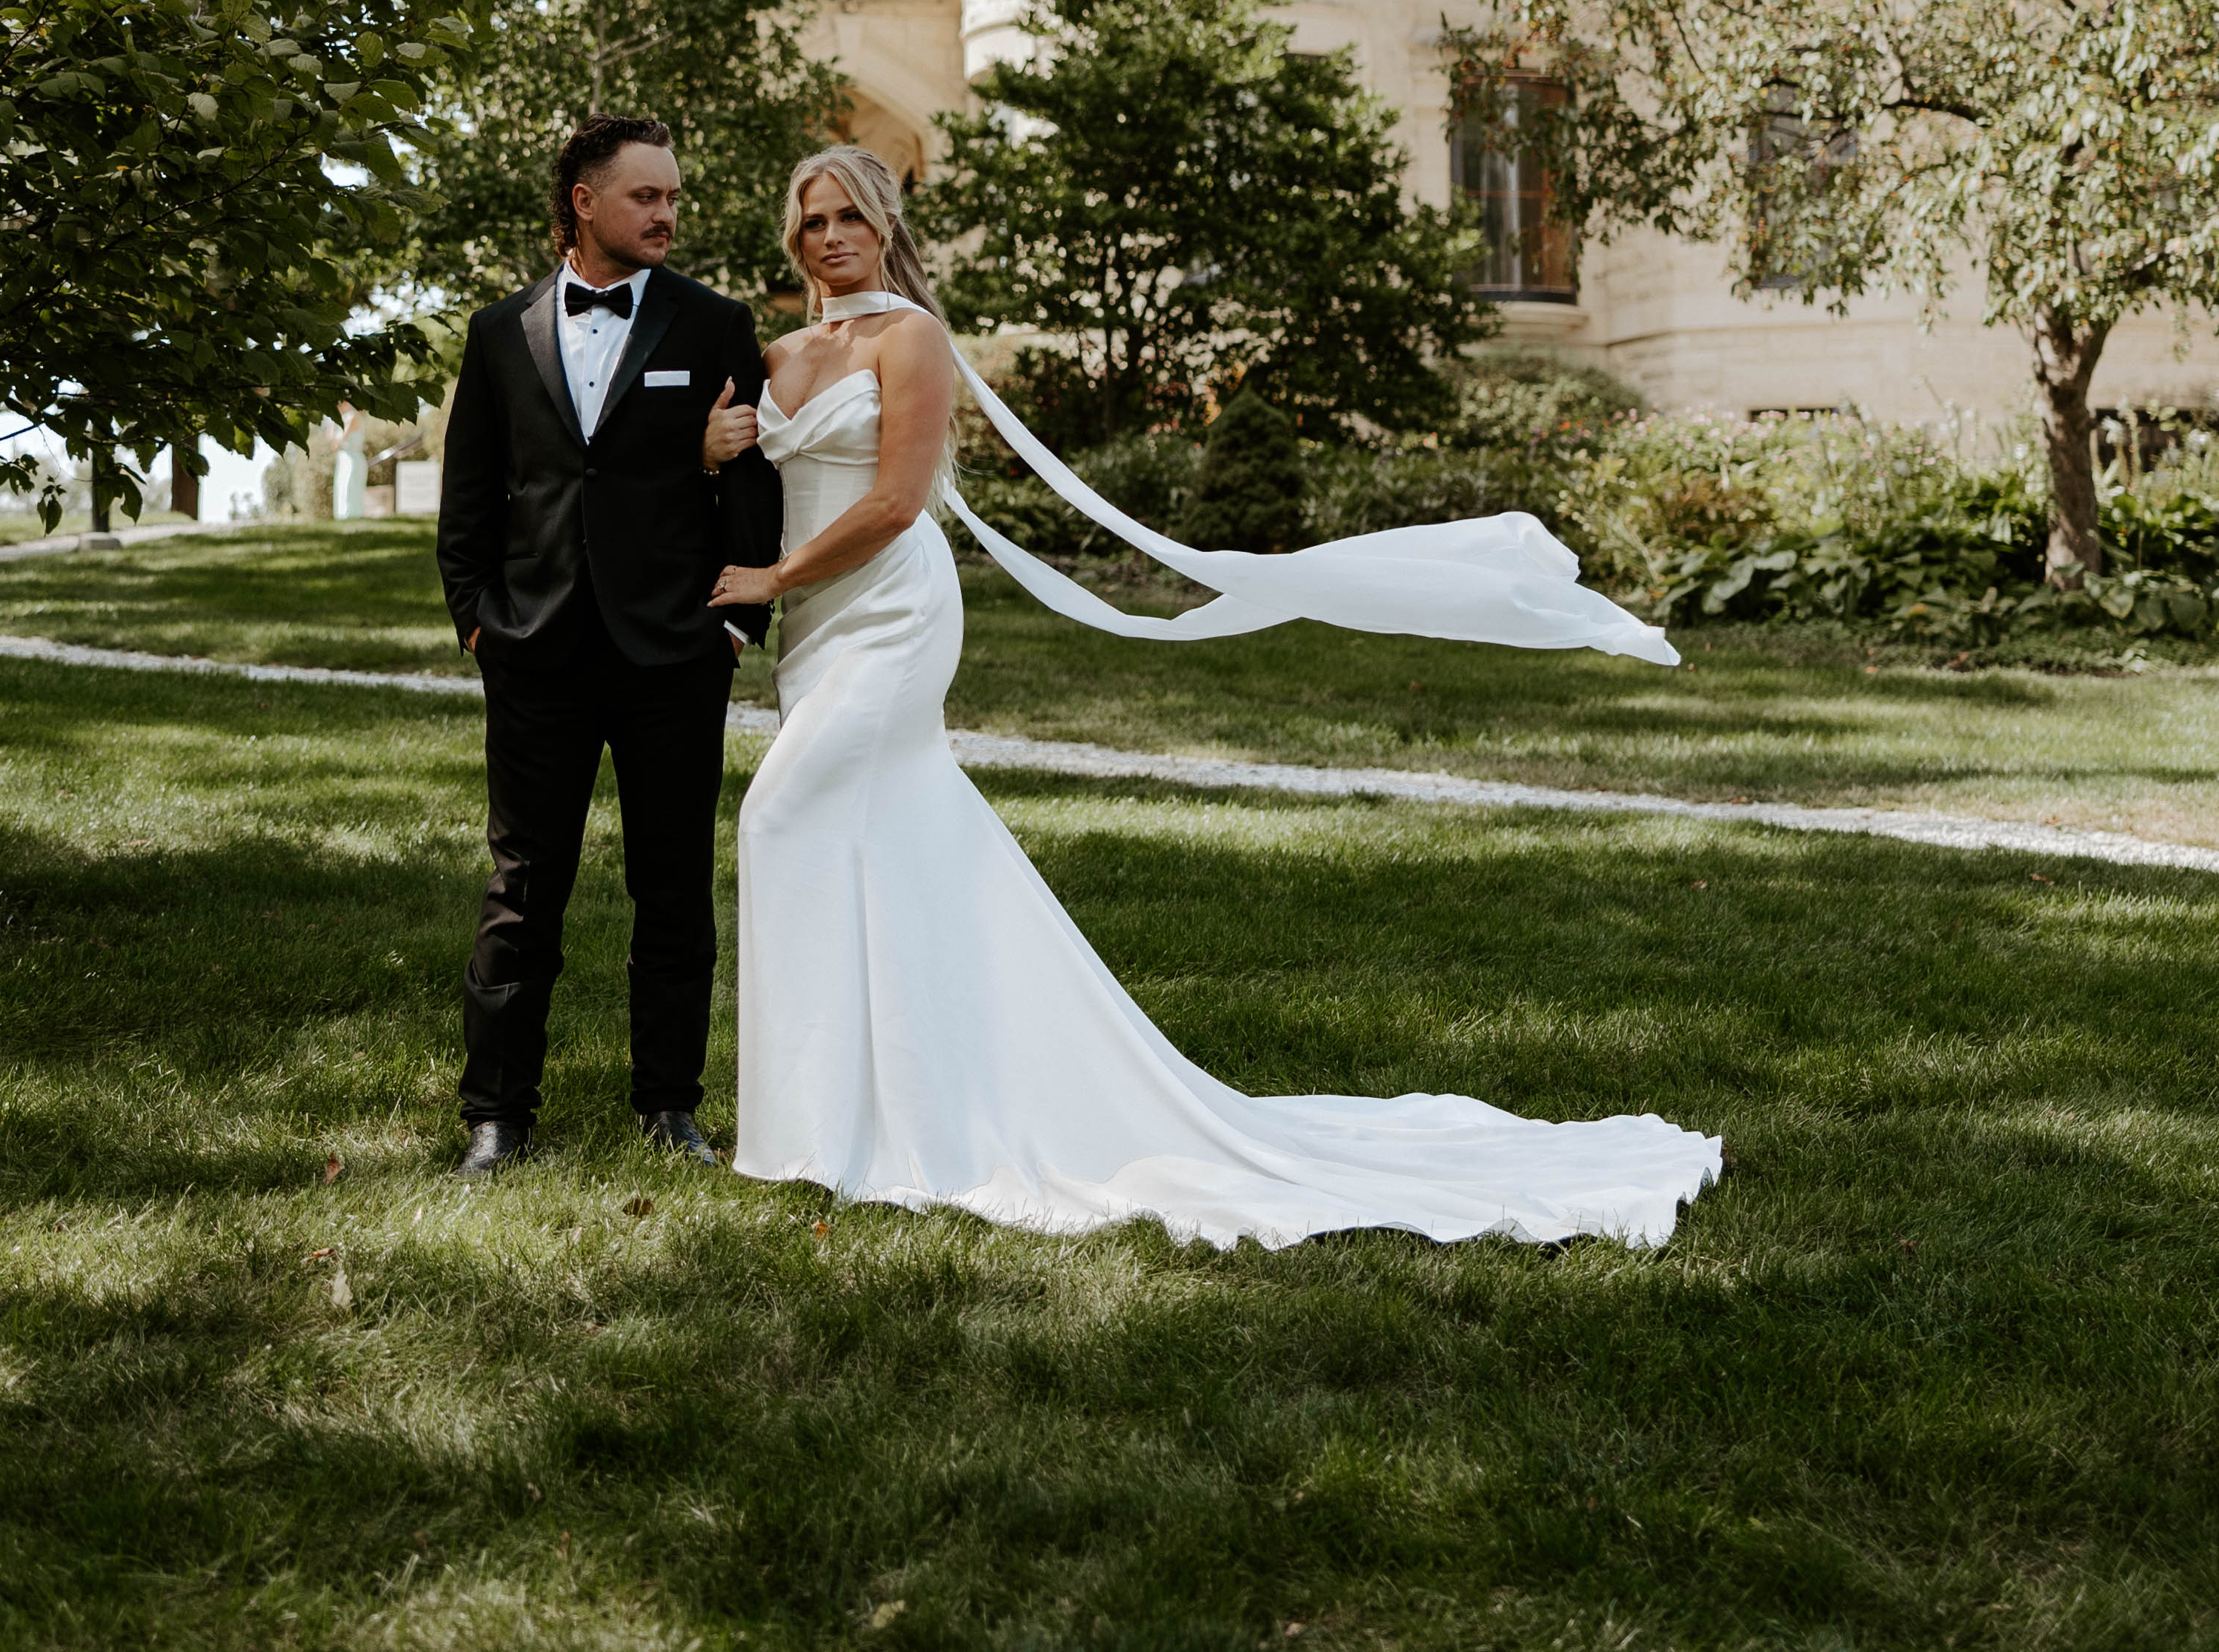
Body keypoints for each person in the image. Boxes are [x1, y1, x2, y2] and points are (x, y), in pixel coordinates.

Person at [702, 143, 1720, 1250]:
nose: (833, 236)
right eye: (813, 222)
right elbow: (755, 485)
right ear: (792, 239)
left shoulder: (913, 338)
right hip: (813, 631)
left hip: (892, 617)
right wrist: (715, 458)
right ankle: (858, 1113)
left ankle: (813, 1125)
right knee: (875, 846)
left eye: (852, 216)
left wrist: (771, 579)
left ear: (887, 227)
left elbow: (898, 502)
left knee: (781, 813)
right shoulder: (777, 352)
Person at [436, 114, 782, 1177]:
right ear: (583, 201)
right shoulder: (500, 334)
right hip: (534, 652)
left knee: (671, 885)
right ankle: (498, 1115)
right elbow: (470, 499)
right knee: (520, 888)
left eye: (674, 197)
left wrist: (735, 623)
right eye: (646, 197)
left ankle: (670, 1107)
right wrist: (478, 621)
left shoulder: (715, 325)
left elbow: (754, 481)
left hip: (672, 654)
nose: (667, 214)